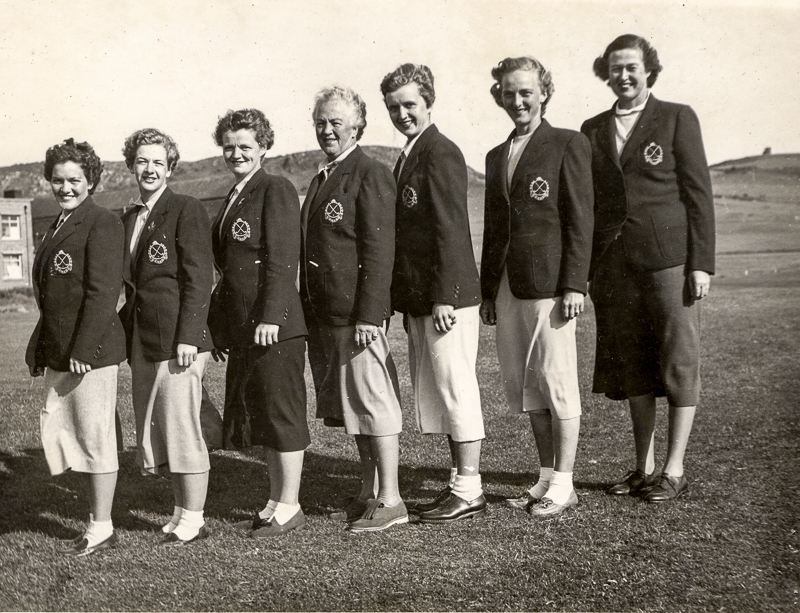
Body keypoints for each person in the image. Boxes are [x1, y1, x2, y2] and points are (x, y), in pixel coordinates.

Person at [581, 35, 715, 502]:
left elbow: (698, 194)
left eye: (632, 67)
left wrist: (701, 264)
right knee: (634, 368)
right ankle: (643, 467)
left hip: (669, 263)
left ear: (648, 69)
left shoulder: (677, 116)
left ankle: (674, 470)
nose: (623, 75)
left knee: (678, 361)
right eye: (615, 68)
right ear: (606, 72)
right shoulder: (592, 128)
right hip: (615, 269)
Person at [480, 57, 593, 516]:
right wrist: (488, 290)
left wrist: (574, 284)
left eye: (526, 91)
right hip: (509, 285)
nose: (518, 100)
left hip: (550, 285)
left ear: (543, 91)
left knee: (557, 380)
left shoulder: (568, 144)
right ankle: (545, 475)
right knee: (529, 384)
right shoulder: (495, 154)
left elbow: (581, 220)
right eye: (509, 93)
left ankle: (564, 483)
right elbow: (493, 228)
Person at [380, 63, 486, 523]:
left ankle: (470, 488)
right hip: (425, 299)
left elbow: (449, 229)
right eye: (394, 107)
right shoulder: (410, 154)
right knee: (443, 392)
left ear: (428, 102)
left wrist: (444, 295)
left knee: (457, 387)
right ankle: (458, 484)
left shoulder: (440, 152)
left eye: (410, 104)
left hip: (449, 299)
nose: (402, 113)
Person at [301, 85, 406, 532]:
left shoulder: (370, 173)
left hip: (356, 316)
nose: (327, 130)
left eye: (336, 123)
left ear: (358, 126)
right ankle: (368, 491)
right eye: (321, 122)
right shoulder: (322, 176)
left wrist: (370, 314)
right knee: (353, 409)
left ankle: (392, 500)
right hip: (327, 314)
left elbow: (380, 251)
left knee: (373, 403)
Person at [208, 109, 309, 537]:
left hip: (276, 328)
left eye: (245, 145)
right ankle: (274, 499)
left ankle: (290, 505)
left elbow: (283, 261)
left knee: (281, 414)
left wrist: (271, 316)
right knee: (264, 417)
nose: (236, 153)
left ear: (264, 147)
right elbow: (230, 274)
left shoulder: (276, 188)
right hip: (248, 329)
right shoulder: (235, 194)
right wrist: (221, 327)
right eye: (229, 146)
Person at [26, 138, 126, 556]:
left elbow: (104, 293)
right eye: (58, 180)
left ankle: (101, 527)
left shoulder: (101, 222)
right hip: (62, 349)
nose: (65, 188)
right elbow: (53, 296)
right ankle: (96, 521)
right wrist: (39, 345)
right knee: (73, 434)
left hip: (90, 354)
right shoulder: (58, 223)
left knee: (95, 437)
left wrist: (83, 349)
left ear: (92, 181)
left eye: (75, 180)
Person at [119, 128, 215, 543]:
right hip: (144, 339)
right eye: (142, 161)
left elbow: (199, 278)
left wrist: (189, 336)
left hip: (180, 340)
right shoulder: (129, 218)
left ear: (170, 166)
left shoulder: (186, 208)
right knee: (161, 427)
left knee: (181, 426)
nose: (150, 169)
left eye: (158, 161)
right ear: (131, 165)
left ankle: (194, 517)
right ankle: (180, 511)